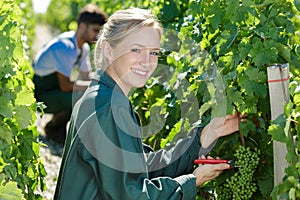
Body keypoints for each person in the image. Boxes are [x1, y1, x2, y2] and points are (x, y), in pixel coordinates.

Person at [54, 8, 242, 199]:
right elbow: (131, 195)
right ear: (108, 50)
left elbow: (143, 167)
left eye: (153, 53)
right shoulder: (109, 109)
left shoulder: (102, 96)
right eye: (136, 49)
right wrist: (193, 181)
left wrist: (204, 136)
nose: (147, 62)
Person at [32, 4, 108, 145]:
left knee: (88, 93)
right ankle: (53, 129)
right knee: (78, 97)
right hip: (39, 95)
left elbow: (86, 76)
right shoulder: (65, 47)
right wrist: (94, 85)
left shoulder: (82, 47)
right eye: (95, 30)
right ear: (82, 27)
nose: (97, 36)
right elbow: (66, 86)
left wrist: (105, 78)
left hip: (53, 90)